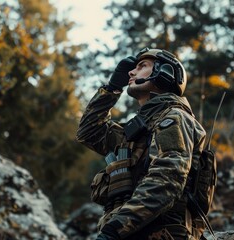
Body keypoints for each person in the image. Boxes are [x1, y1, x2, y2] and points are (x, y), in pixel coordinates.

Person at [76, 47, 207, 240]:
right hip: (131, 232)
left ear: (164, 73)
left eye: (142, 66)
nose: (131, 72)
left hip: (162, 234)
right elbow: (89, 132)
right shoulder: (137, 132)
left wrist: (114, 230)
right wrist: (112, 88)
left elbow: (167, 179)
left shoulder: (175, 118)